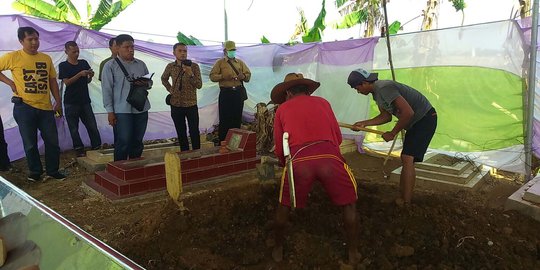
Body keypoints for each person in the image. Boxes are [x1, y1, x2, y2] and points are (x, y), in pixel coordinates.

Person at [270, 73, 359, 265]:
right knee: (349, 204)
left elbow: (279, 145)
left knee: (283, 205)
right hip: (330, 158)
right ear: (308, 92)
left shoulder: (282, 109)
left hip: (299, 161)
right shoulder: (323, 103)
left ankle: (278, 249)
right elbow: (338, 137)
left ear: (288, 93)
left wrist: (283, 163)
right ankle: (352, 252)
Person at [347, 68, 437, 204]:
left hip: (424, 118)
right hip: (417, 122)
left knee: (407, 158)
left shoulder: (384, 88)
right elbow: (386, 116)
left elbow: (408, 112)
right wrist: (364, 123)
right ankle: (404, 196)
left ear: (364, 83)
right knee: (407, 158)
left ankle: (406, 201)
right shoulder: (377, 93)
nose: (358, 91)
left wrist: (393, 133)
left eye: (357, 88)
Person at [0, 26, 65, 182]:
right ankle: (35, 172)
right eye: (30, 39)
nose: (34, 42)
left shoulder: (46, 58)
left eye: (36, 39)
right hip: (24, 107)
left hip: (46, 108)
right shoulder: (13, 57)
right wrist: (10, 82)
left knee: (52, 142)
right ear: (21, 41)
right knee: (30, 144)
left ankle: (53, 171)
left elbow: (52, 81)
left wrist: (58, 100)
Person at [101, 34, 152, 161]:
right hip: (121, 110)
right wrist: (110, 112)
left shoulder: (141, 64)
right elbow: (107, 90)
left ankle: (135, 168)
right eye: (127, 47)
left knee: (137, 141)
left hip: (141, 107)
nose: (131, 49)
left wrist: (145, 83)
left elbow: (149, 83)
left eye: (132, 46)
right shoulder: (110, 66)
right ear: (117, 48)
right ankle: (119, 170)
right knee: (123, 141)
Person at [58, 41, 102, 157]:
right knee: (73, 127)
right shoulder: (63, 66)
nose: (76, 54)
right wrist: (79, 74)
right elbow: (67, 82)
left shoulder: (83, 63)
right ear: (66, 51)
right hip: (71, 101)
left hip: (85, 100)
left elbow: (86, 81)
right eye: (74, 52)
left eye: (78, 51)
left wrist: (89, 76)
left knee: (92, 125)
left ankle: (96, 146)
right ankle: (79, 148)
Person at [161, 43, 203, 151]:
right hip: (176, 104)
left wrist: (190, 74)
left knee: (194, 131)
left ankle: (196, 155)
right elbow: (163, 78)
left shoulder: (194, 66)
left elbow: (199, 85)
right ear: (174, 53)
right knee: (181, 132)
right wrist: (170, 89)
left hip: (191, 104)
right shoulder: (170, 66)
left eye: (185, 51)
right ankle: (185, 155)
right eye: (180, 51)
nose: (183, 53)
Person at [209, 40, 251, 142]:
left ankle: (235, 142)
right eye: (230, 50)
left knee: (236, 118)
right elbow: (212, 76)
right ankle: (223, 141)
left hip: (237, 93)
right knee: (225, 118)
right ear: (225, 51)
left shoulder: (240, 63)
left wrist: (243, 76)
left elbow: (248, 76)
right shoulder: (220, 63)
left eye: (234, 50)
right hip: (225, 93)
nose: (232, 52)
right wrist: (222, 76)